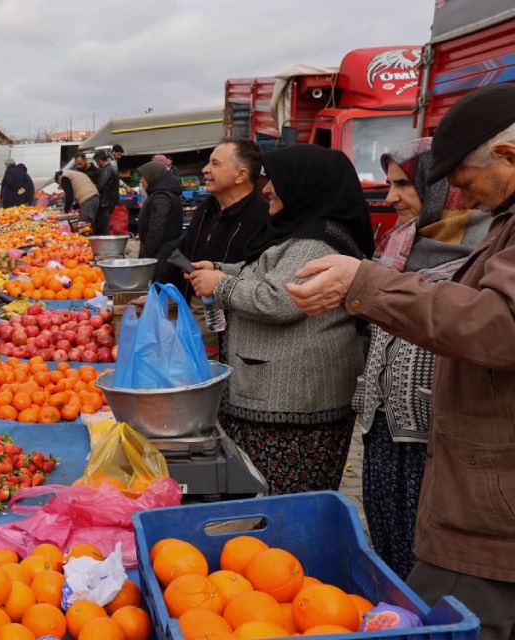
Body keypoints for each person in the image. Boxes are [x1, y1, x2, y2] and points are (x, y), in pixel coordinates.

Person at [287, 85, 515, 636]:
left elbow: (501, 325)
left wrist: (369, 284)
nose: (463, 197)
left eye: (465, 181)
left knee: (439, 619)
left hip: (492, 498)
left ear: (508, 156)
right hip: (477, 483)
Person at [185, 144, 372, 497]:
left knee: (285, 501)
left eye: (275, 181)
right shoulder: (301, 232)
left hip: (293, 404)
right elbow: (266, 274)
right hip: (277, 399)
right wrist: (222, 270)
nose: (266, 188)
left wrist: (221, 286)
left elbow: (280, 300)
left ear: (305, 185)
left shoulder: (314, 242)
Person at [350, 138, 491, 581]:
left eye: (404, 185)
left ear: (440, 187)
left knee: (429, 561)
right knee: (388, 544)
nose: (390, 197)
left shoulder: (487, 248)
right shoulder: (400, 241)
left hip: (437, 438)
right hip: (382, 429)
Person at [154, 139, 271, 299]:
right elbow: (183, 252)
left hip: (236, 315)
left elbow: (263, 275)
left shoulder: (265, 216)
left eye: (215, 164)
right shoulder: (207, 209)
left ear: (240, 175)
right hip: (197, 307)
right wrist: (159, 292)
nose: (205, 169)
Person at [135, 161, 184, 262]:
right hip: (161, 253)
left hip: (160, 256)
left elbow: (156, 229)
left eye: (143, 177)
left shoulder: (161, 197)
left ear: (152, 176)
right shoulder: (161, 193)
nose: (141, 181)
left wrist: (145, 256)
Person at [93, 150, 121, 235]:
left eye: (97, 162)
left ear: (99, 160)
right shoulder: (112, 168)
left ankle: (105, 245)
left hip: (105, 203)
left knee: (103, 226)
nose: (97, 164)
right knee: (105, 225)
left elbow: (100, 186)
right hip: (111, 201)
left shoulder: (107, 170)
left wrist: (94, 186)